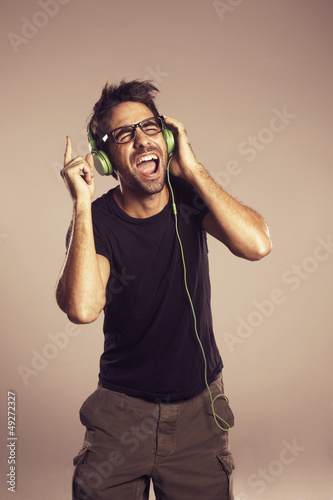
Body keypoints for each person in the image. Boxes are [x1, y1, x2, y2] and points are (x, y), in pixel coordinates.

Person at [56, 80, 272, 500]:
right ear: (104, 159)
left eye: (150, 127)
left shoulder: (189, 196)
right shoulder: (96, 223)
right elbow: (82, 308)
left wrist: (192, 168)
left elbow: (258, 245)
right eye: (124, 135)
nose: (141, 141)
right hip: (121, 416)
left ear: (168, 137)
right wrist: (81, 202)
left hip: (199, 415)